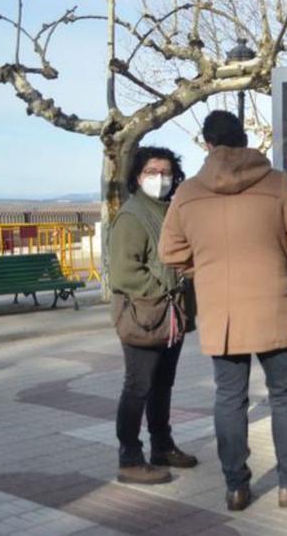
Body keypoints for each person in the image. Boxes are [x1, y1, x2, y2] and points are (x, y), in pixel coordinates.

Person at [160, 111, 287, 511]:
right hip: (273, 306)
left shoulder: (188, 193)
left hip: (222, 313)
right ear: (244, 139)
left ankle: (236, 487)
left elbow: (171, 252)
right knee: (286, 394)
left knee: (229, 398)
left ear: (207, 144)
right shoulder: (276, 183)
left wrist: (205, 273)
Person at [108, 146, 197, 485]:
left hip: (169, 316)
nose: (160, 178)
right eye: (152, 172)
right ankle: (129, 457)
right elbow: (123, 273)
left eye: (166, 172)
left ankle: (162, 445)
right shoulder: (133, 216)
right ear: (137, 176)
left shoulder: (168, 210)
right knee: (138, 386)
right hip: (144, 316)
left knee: (162, 385)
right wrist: (165, 289)